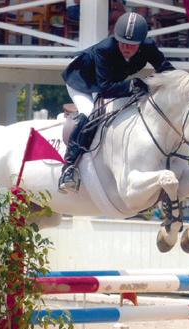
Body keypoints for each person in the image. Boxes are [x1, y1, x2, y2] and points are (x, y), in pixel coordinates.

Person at [58, 11, 175, 193]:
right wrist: (134, 84)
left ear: (141, 42)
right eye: (122, 43)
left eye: (132, 45)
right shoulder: (105, 50)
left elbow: (165, 69)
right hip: (82, 81)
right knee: (89, 113)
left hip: (108, 82)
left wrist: (182, 82)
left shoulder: (148, 47)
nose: (126, 48)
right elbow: (105, 88)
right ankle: (69, 168)